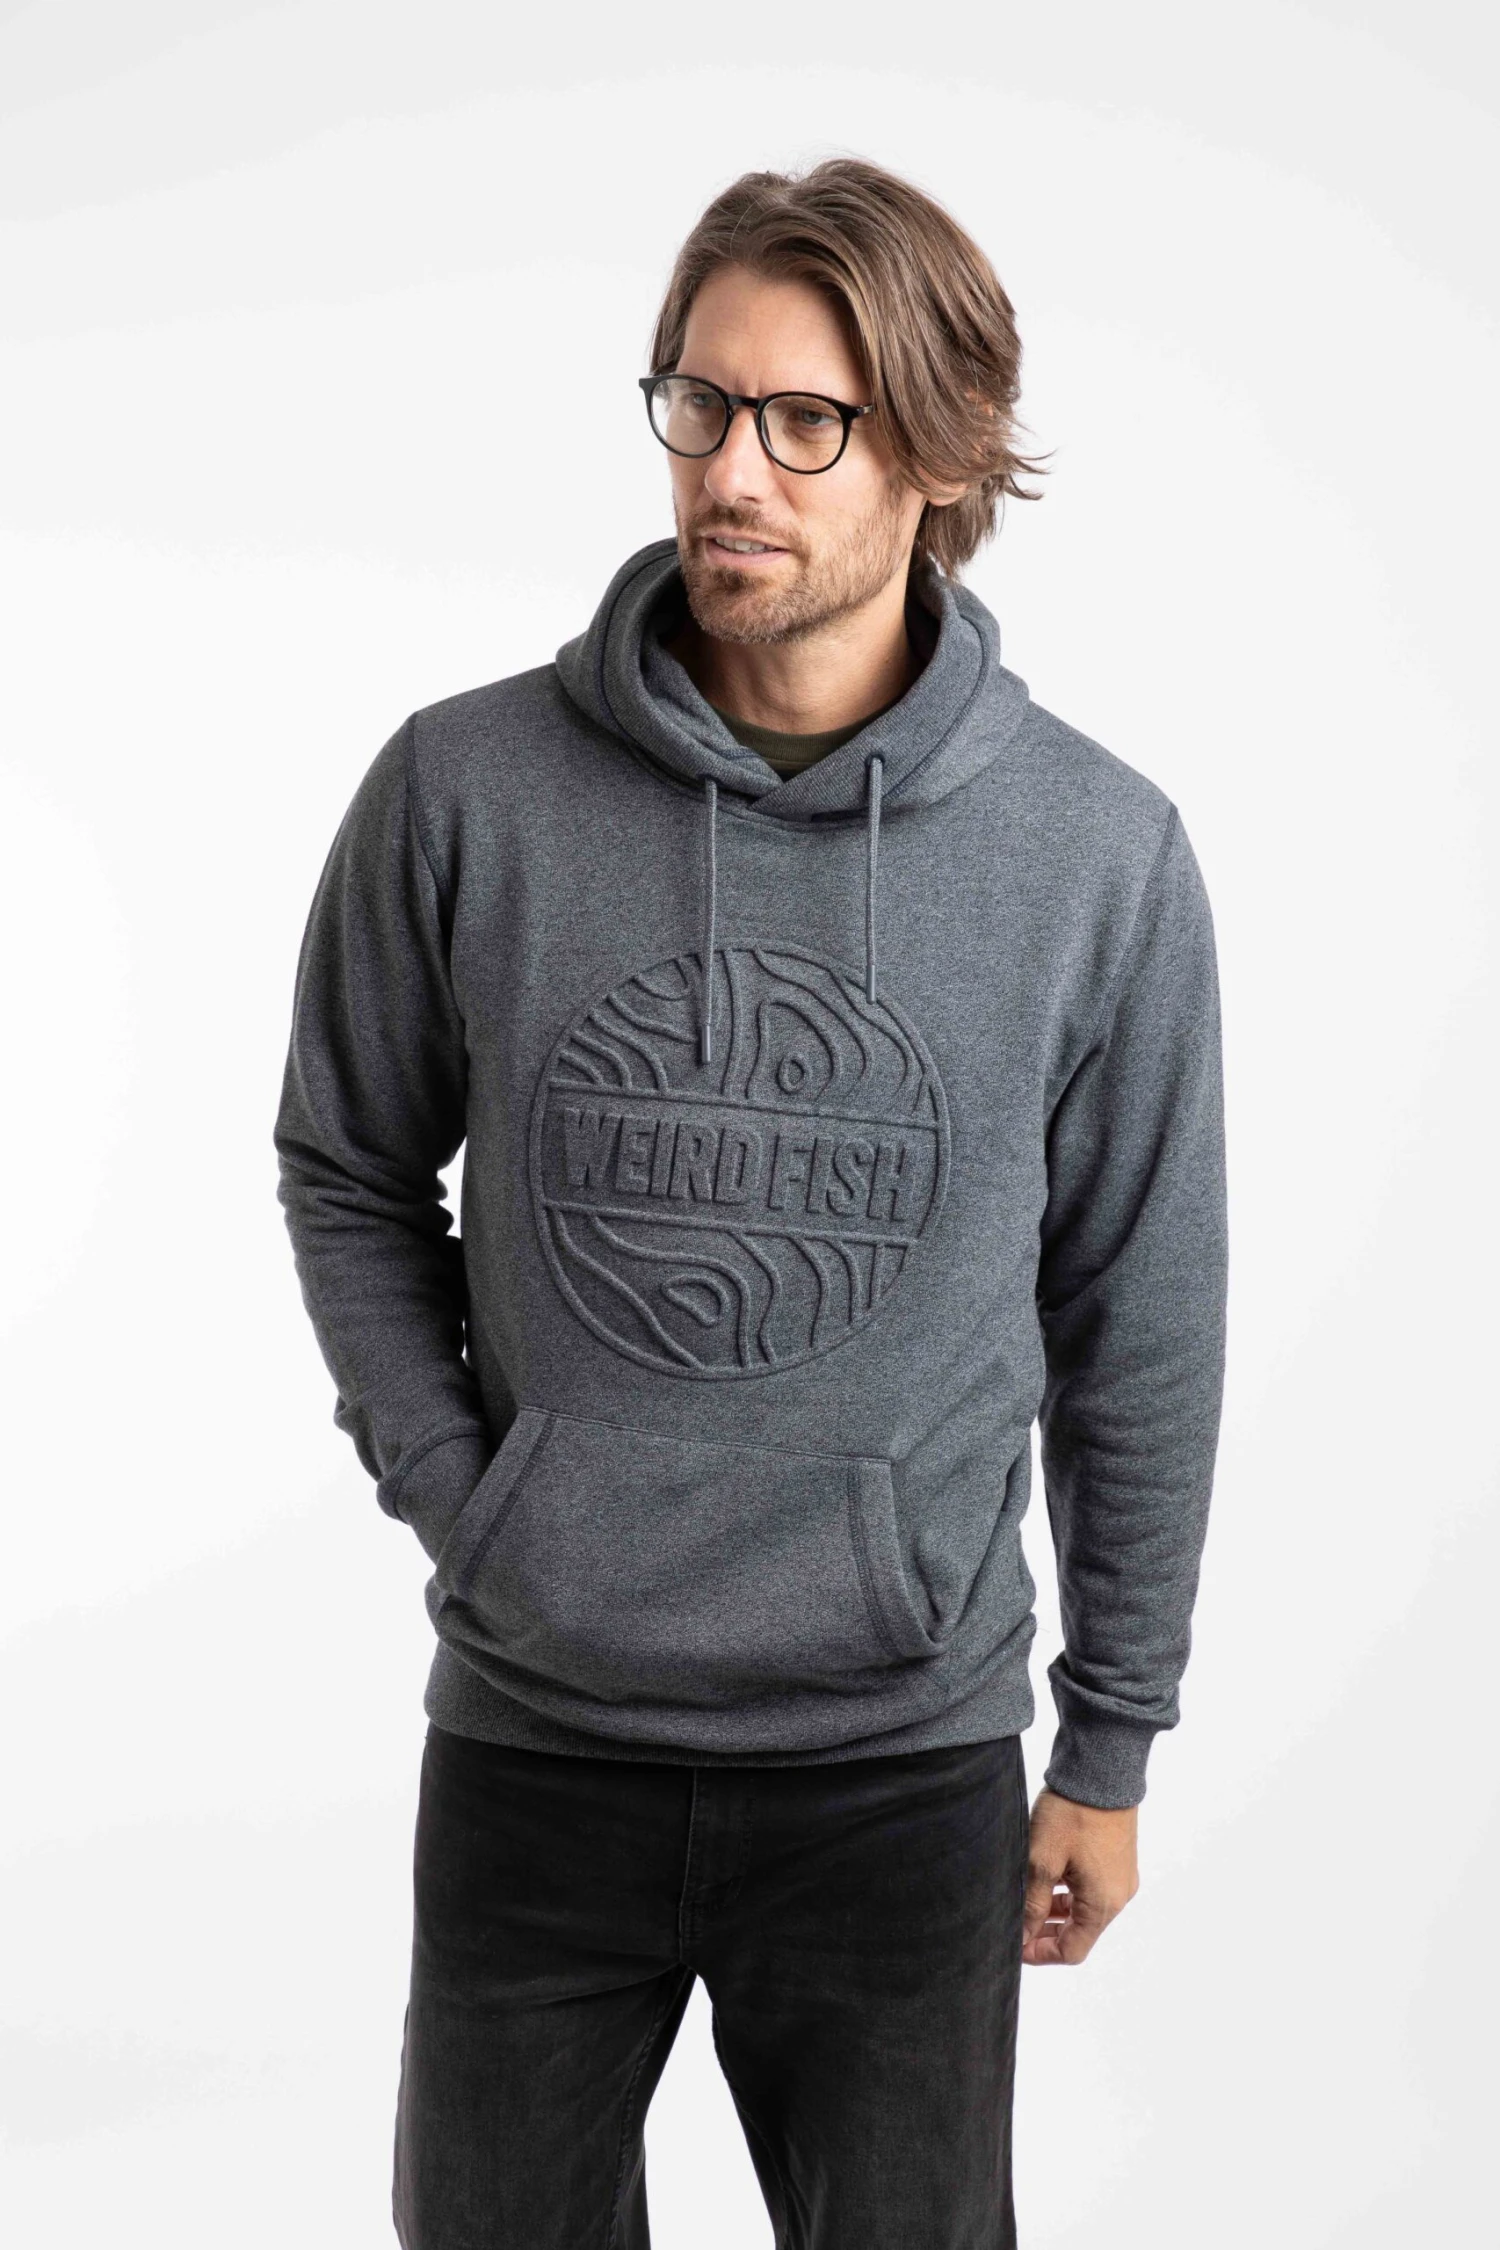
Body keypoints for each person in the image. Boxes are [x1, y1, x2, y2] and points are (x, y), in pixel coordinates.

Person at [273, 155, 1228, 2250]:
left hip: (901, 1766)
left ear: (939, 458)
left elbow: (1139, 1317)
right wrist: (474, 1501)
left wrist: (1113, 1739)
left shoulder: (1098, 858)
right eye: (701, 403)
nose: (731, 471)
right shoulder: (464, 791)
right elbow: (347, 1162)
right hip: (537, 1741)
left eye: (810, 421)